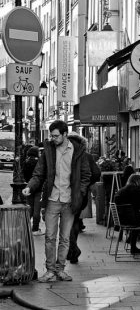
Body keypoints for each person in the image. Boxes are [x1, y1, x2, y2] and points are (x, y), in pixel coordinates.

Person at [23, 120, 90, 282]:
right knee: (50, 237)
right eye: (51, 136)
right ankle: (50, 270)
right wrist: (30, 187)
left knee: (65, 238)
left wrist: (79, 193)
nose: (53, 139)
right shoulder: (48, 151)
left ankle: (61, 270)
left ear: (65, 134)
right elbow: (39, 173)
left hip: (69, 201)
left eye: (56, 136)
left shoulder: (78, 151)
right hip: (53, 199)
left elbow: (86, 175)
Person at [66, 133, 101, 264]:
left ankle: (73, 249)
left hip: (65, 193)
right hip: (81, 195)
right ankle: (73, 249)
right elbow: (97, 173)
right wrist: (85, 186)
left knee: (68, 221)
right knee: (73, 220)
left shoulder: (64, 155)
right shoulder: (87, 156)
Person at [22, 146, 42, 232]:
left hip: (29, 187)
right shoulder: (39, 162)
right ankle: (35, 227)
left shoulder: (25, 162)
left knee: (30, 208)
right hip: (38, 188)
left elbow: (23, 175)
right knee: (37, 210)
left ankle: (26, 226)